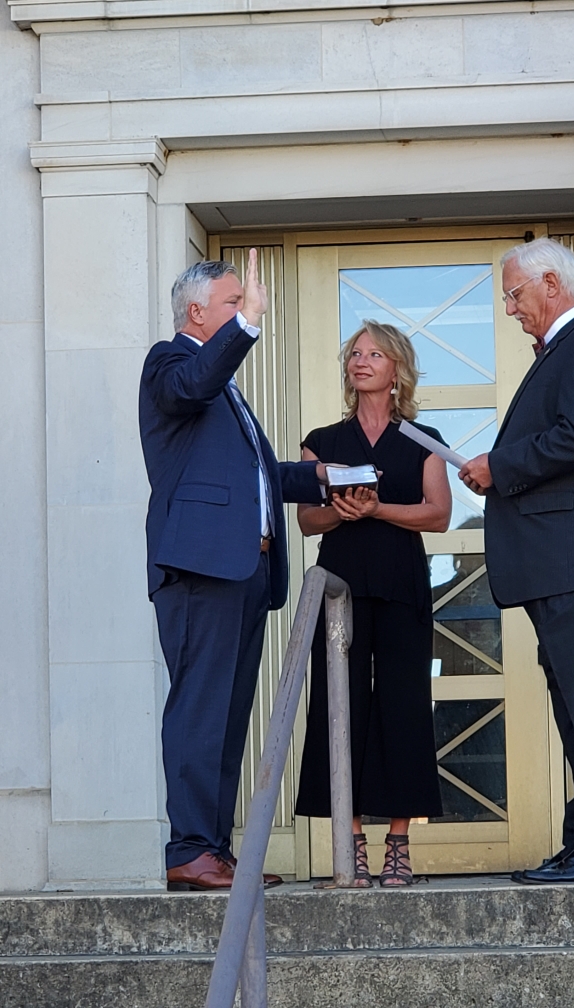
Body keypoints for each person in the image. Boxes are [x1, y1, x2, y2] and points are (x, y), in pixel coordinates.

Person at [460, 238, 574, 885]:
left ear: (549, 283)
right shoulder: (565, 353)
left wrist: (499, 465)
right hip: (562, 564)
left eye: (514, 294)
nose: (510, 308)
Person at [139, 252, 331, 891]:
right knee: (200, 708)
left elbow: (257, 478)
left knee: (226, 717)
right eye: (231, 304)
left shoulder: (221, 387)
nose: (245, 314)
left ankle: (212, 852)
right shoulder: (170, 365)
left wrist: (323, 482)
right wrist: (244, 327)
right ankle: (189, 850)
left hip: (246, 570)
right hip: (200, 569)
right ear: (197, 314)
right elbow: (191, 385)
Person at [294, 321, 451, 887]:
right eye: (355, 354)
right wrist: (343, 512)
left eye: (374, 354)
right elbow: (307, 519)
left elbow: (438, 514)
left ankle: (399, 845)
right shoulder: (323, 441)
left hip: (402, 585)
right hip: (341, 585)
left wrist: (379, 509)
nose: (362, 361)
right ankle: (352, 841)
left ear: (396, 369)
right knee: (342, 706)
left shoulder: (422, 438)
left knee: (404, 707)